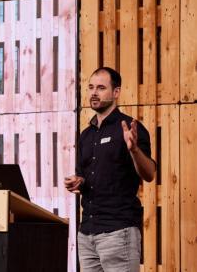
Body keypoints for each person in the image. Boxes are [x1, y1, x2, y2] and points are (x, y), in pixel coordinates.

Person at [64, 67, 156, 272]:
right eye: (90, 87)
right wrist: (78, 181)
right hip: (87, 234)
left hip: (118, 231)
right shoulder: (86, 135)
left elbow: (149, 173)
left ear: (116, 93)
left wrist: (134, 150)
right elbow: (85, 177)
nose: (94, 93)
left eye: (101, 88)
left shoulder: (131, 128)